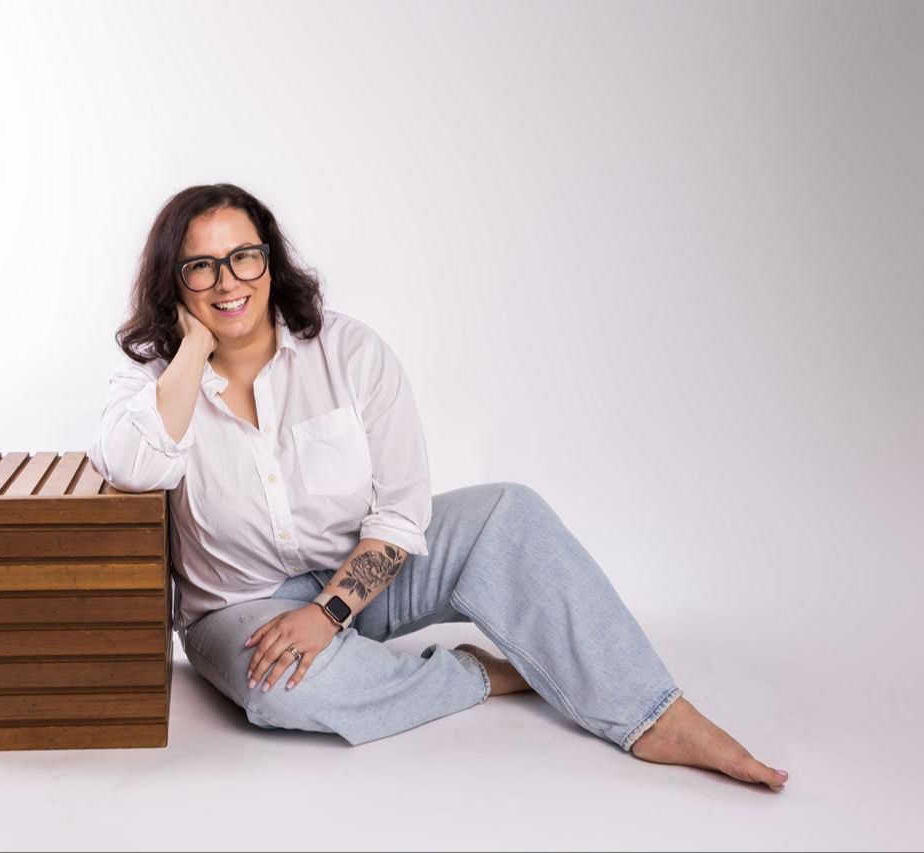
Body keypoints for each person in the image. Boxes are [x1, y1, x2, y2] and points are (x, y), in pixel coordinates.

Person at [86, 182, 789, 791]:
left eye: (244, 256)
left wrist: (327, 614)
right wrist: (194, 350)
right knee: (280, 693)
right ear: (174, 283)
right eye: (200, 267)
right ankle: (480, 673)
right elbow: (132, 467)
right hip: (241, 607)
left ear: (269, 260)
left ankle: (653, 714)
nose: (227, 281)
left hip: (361, 578)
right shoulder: (151, 380)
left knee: (509, 511)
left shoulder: (350, 352)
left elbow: (399, 513)